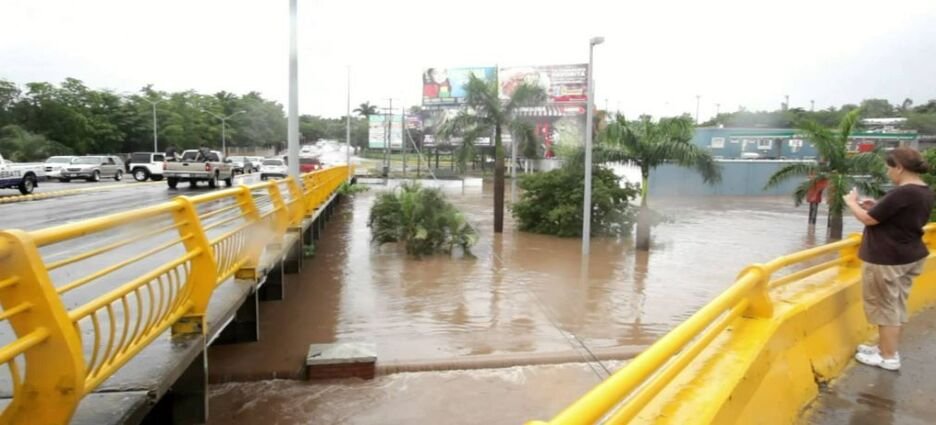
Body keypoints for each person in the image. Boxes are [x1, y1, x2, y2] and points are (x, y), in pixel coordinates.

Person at [844, 146, 933, 371]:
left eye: (889, 168)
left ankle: (888, 356)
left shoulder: (903, 192)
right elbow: (899, 216)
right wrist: (876, 207)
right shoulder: (924, 191)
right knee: (895, 305)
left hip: (888, 258)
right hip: (909, 254)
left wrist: (852, 203)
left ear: (899, 168)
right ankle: (885, 348)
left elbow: (868, 219)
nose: (887, 172)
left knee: (885, 307)